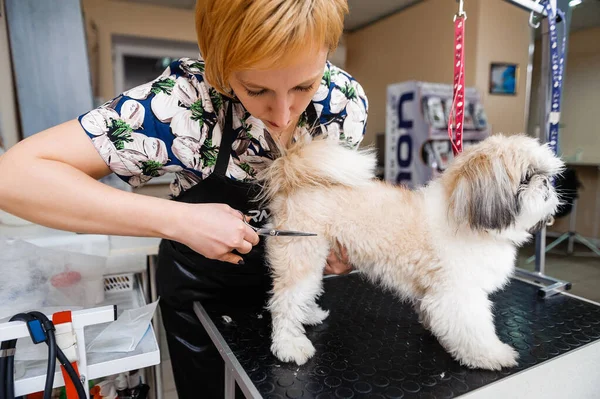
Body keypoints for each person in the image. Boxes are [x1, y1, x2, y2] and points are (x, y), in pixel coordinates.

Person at [0, 0, 368, 397]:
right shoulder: (185, 102)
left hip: (297, 294)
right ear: (219, 67)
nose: (281, 114)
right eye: (256, 89)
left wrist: (342, 242)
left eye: (303, 86)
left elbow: (336, 201)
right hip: (204, 296)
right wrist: (180, 220)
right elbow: (14, 178)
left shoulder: (343, 103)